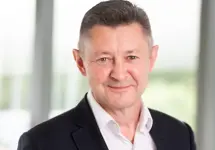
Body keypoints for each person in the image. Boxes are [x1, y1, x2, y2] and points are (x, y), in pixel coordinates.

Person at [17, 0, 196, 150]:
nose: (119, 74)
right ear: (80, 62)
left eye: (131, 57)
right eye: (104, 59)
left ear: (152, 58)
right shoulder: (42, 144)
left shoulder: (180, 135)